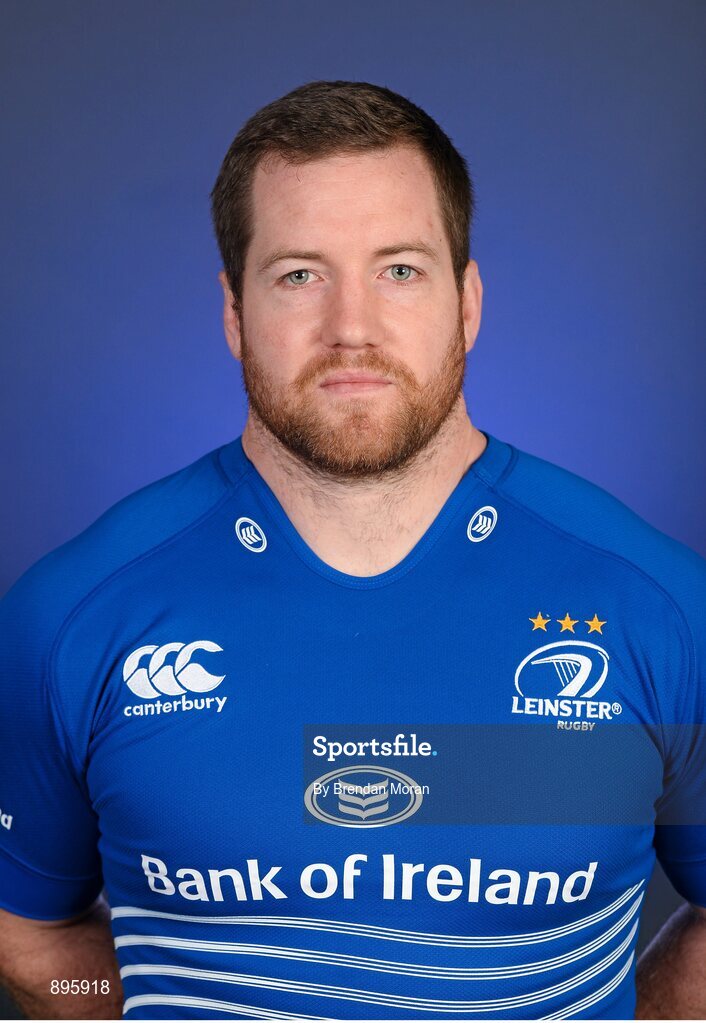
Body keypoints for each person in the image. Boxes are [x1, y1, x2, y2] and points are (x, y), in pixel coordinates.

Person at [0, 79, 704, 1022]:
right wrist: (142, 1007)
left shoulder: (660, 607)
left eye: (400, 269)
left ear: (469, 299)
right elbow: (24, 923)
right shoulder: (70, 616)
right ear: (232, 310)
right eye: (299, 273)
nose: (352, 329)